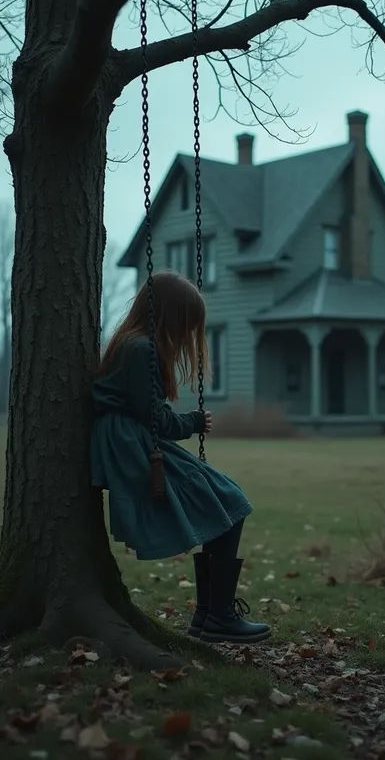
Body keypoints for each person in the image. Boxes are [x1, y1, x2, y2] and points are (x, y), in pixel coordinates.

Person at [91, 271, 270, 645]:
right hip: (133, 444)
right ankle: (216, 615)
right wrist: (194, 422)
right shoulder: (141, 348)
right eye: (186, 322)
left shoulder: (131, 343)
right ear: (171, 315)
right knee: (231, 503)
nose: (189, 332)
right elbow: (156, 417)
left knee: (228, 502)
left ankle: (209, 614)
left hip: (131, 439)